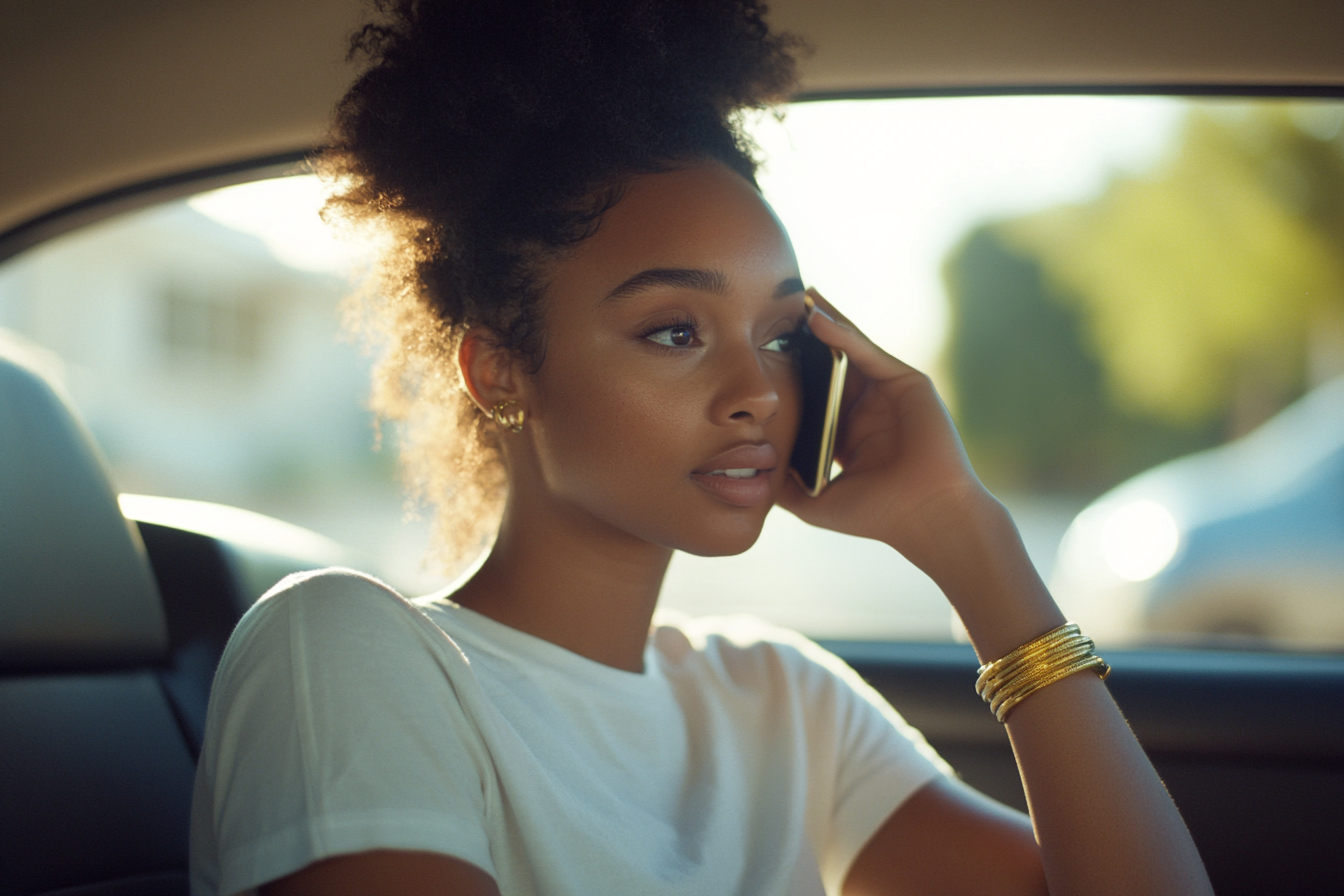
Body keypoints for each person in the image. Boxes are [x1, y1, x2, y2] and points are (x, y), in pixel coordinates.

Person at [189, 1, 1216, 894]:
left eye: (778, 336)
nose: (758, 392)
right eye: (675, 331)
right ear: (500, 367)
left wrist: (970, 540)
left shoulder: (781, 699)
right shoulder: (351, 651)